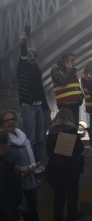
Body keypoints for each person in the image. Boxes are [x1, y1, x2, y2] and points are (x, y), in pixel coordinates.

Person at [1, 110, 65, 221]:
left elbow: (29, 159)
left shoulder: (21, 136)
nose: (10, 122)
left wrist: (33, 176)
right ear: (2, 124)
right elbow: (4, 166)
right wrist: (19, 169)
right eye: (6, 120)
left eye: (12, 119)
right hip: (16, 189)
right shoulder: (3, 141)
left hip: (29, 184)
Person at [45, 108, 85, 221]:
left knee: (59, 196)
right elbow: (80, 148)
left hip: (56, 168)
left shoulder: (51, 132)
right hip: (71, 168)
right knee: (72, 196)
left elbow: (48, 152)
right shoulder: (71, 130)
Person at [16, 32, 49, 171]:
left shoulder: (37, 71)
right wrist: (23, 43)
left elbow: (41, 90)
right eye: (30, 55)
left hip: (39, 106)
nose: (32, 58)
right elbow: (23, 58)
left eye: (34, 56)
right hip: (28, 106)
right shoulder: (22, 68)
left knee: (40, 137)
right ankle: (31, 165)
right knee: (31, 138)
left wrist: (46, 108)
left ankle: (37, 163)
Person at [0, 128, 23, 221]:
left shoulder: (4, 163)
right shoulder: (2, 167)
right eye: (8, 141)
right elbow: (2, 194)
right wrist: (8, 218)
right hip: (5, 219)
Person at [51, 53, 84, 127]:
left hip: (75, 103)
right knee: (67, 127)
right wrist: (68, 69)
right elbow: (62, 82)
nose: (74, 62)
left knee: (75, 127)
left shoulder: (72, 71)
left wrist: (80, 98)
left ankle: (75, 138)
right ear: (65, 61)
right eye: (71, 60)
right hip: (65, 104)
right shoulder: (56, 71)